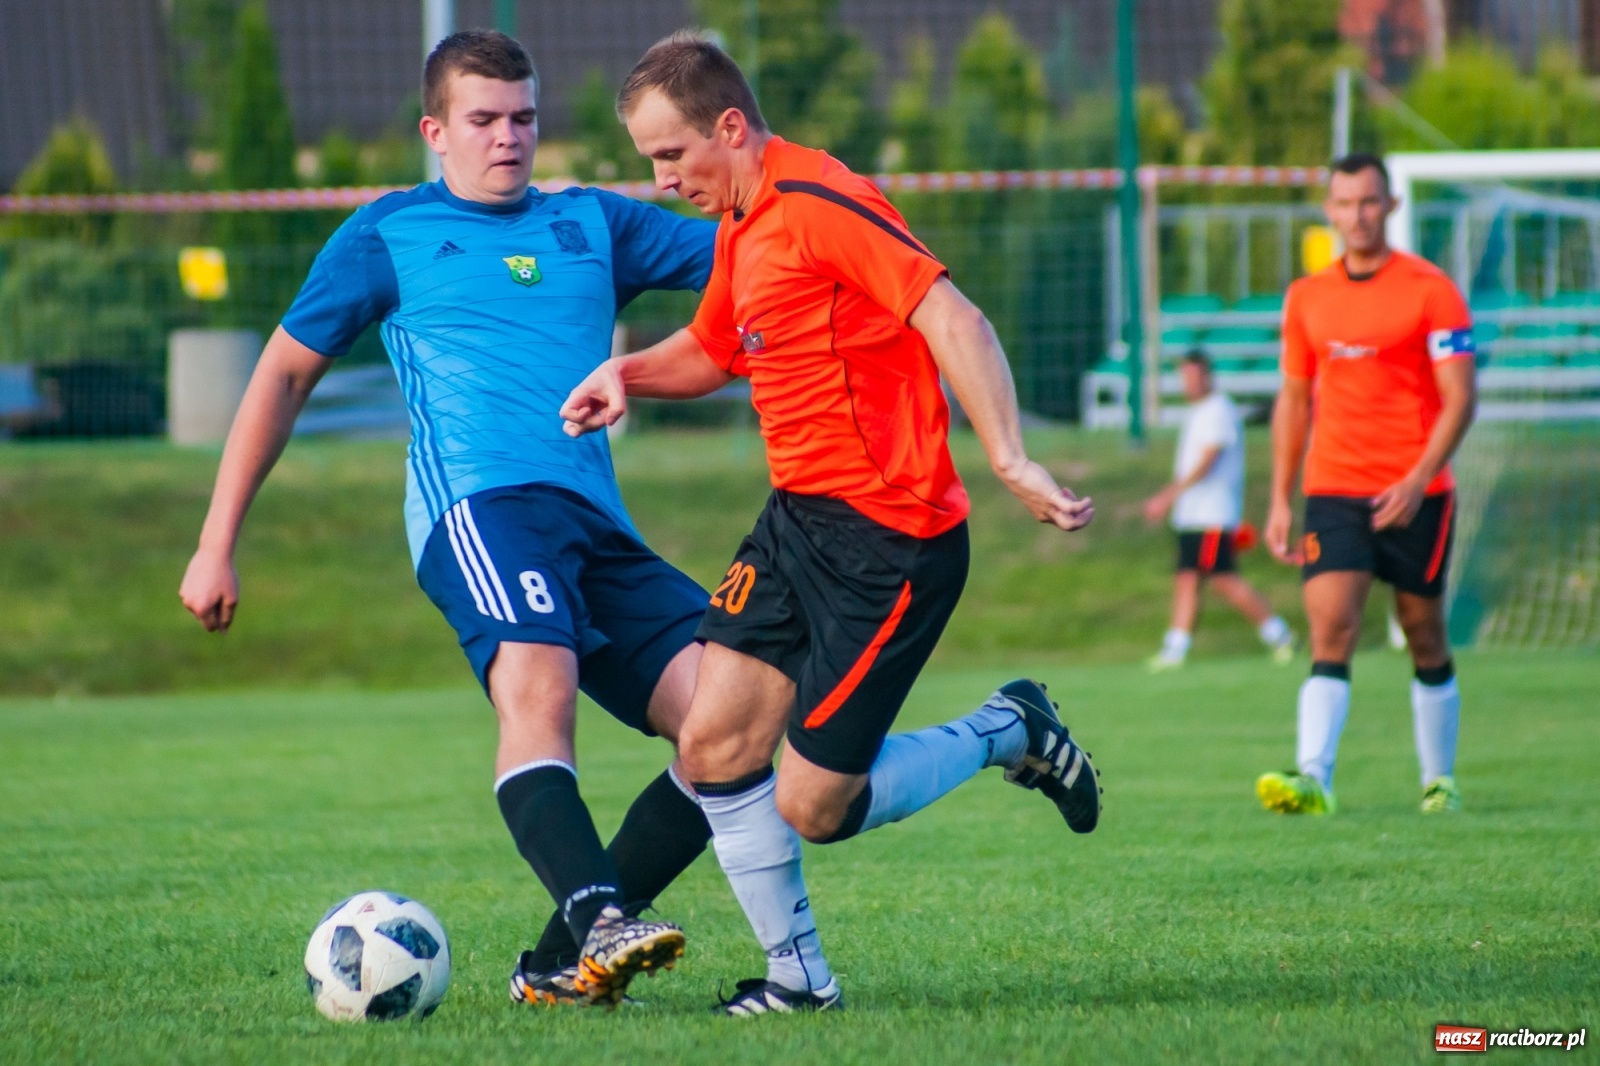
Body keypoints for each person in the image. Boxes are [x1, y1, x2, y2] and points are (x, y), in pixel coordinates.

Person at [561, 32, 1102, 1016]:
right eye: (649, 161)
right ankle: (798, 982)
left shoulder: (818, 202)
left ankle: (1005, 727)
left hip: (890, 544)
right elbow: (715, 349)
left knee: (813, 806)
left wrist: (1011, 456)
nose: (662, 177)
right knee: (715, 746)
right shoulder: (741, 222)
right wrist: (624, 374)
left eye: (671, 154)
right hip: (794, 523)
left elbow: (953, 318)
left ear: (730, 126)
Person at [178, 30, 722, 1007]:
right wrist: (217, 542)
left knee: (729, 725)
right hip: (477, 507)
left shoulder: (595, 221)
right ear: (436, 130)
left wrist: (822, 210)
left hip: (596, 525)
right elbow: (282, 376)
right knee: (538, 681)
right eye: (484, 120)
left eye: (524, 118)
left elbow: (755, 249)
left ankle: (568, 951)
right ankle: (602, 918)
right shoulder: (386, 232)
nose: (508, 138)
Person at [1257, 153, 1476, 816]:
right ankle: (1314, 778)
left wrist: (1418, 478)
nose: (1358, 215)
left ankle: (1439, 780)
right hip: (1334, 489)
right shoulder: (1307, 298)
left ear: (1391, 206)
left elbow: (1461, 396)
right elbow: (1294, 400)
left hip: (1417, 493)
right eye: (1345, 203)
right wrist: (1278, 496)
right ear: (1329, 211)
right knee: (1332, 628)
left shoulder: (1431, 289)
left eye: (1370, 202)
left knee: (1423, 632)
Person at [1143, 350, 1294, 670]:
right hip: (1192, 514)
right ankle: (1175, 649)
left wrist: (1167, 495)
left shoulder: (1218, 411)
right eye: (1185, 376)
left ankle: (1280, 635)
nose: (1189, 383)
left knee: (1223, 579)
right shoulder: (1198, 412)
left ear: (1207, 376)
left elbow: (1208, 461)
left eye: (1194, 376)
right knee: (1187, 579)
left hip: (1213, 512)